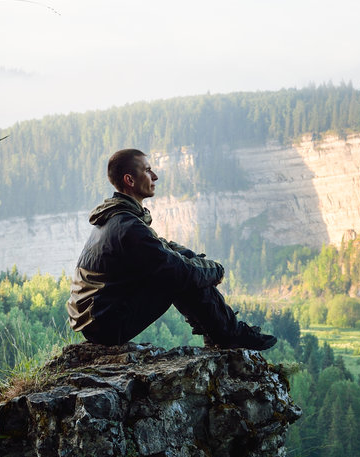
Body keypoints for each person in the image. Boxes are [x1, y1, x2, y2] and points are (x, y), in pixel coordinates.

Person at [67, 148, 277, 350]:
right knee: (177, 275)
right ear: (129, 180)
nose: (155, 176)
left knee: (180, 265)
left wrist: (195, 260)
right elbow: (175, 270)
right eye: (148, 170)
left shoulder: (116, 218)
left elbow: (162, 246)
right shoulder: (127, 226)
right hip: (105, 325)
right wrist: (215, 271)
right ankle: (227, 334)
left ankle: (220, 331)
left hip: (97, 318)